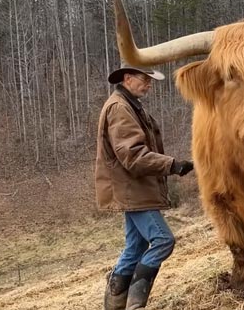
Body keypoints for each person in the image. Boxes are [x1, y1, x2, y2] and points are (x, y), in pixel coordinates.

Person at [95, 65, 194, 310]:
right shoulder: (120, 108)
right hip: (133, 190)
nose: (149, 85)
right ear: (128, 78)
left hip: (134, 188)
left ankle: (115, 302)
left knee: (136, 246)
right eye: (145, 80)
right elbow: (133, 156)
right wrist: (172, 165)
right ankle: (135, 304)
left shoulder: (129, 104)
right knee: (163, 241)